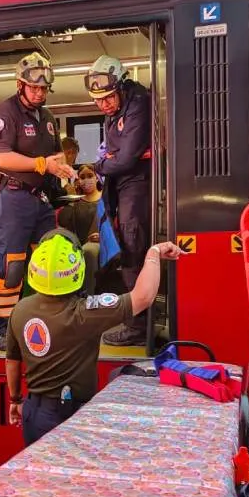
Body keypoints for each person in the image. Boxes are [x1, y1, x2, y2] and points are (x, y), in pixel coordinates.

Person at [5, 229, 184, 445]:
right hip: (67, 416)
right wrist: (154, 252)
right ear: (77, 271)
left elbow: (12, 361)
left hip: (33, 413)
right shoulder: (84, 313)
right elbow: (143, 297)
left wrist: (15, 399)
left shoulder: (20, 309)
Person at [0, 53, 77, 351]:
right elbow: (1, 157)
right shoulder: (4, 113)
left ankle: (47, 321)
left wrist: (63, 168)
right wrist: (41, 165)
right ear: (20, 85)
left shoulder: (47, 118)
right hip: (10, 197)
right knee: (11, 267)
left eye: (44, 89)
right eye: (33, 88)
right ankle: (3, 329)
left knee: (51, 256)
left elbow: (55, 155)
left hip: (39, 199)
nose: (39, 93)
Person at [84, 55, 153, 347]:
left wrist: (99, 166)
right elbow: (116, 155)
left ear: (121, 86)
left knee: (133, 256)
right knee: (127, 253)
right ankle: (135, 322)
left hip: (136, 187)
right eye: (98, 100)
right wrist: (109, 161)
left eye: (108, 98)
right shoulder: (117, 110)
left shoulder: (137, 103)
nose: (104, 105)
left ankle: (138, 328)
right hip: (123, 188)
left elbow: (124, 159)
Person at [56, 164, 103, 293]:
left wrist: (103, 237)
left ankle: (87, 295)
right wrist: (72, 198)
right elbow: (63, 221)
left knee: (89, 250)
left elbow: (116, 224)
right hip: (76, 243)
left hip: (101, 243)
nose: (86, 180)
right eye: (82, 177)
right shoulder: (75, 201)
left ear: (97, 178)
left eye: (90, 176)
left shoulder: (106, 199)